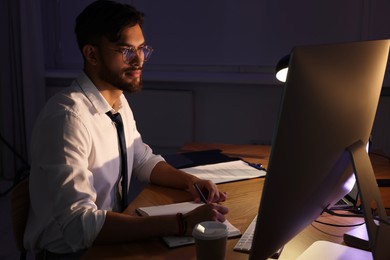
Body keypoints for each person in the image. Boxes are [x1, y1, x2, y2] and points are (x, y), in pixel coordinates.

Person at [24, 0, 228, 258]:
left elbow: (141, 159)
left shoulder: (117, 102)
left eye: (142, 49)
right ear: (92, 54)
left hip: (107, 237)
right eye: (126, 50)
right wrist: (181, 222)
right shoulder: (67, 118)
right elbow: (79, 227)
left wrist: (191, 182)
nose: (139, 60)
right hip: (74, 252)